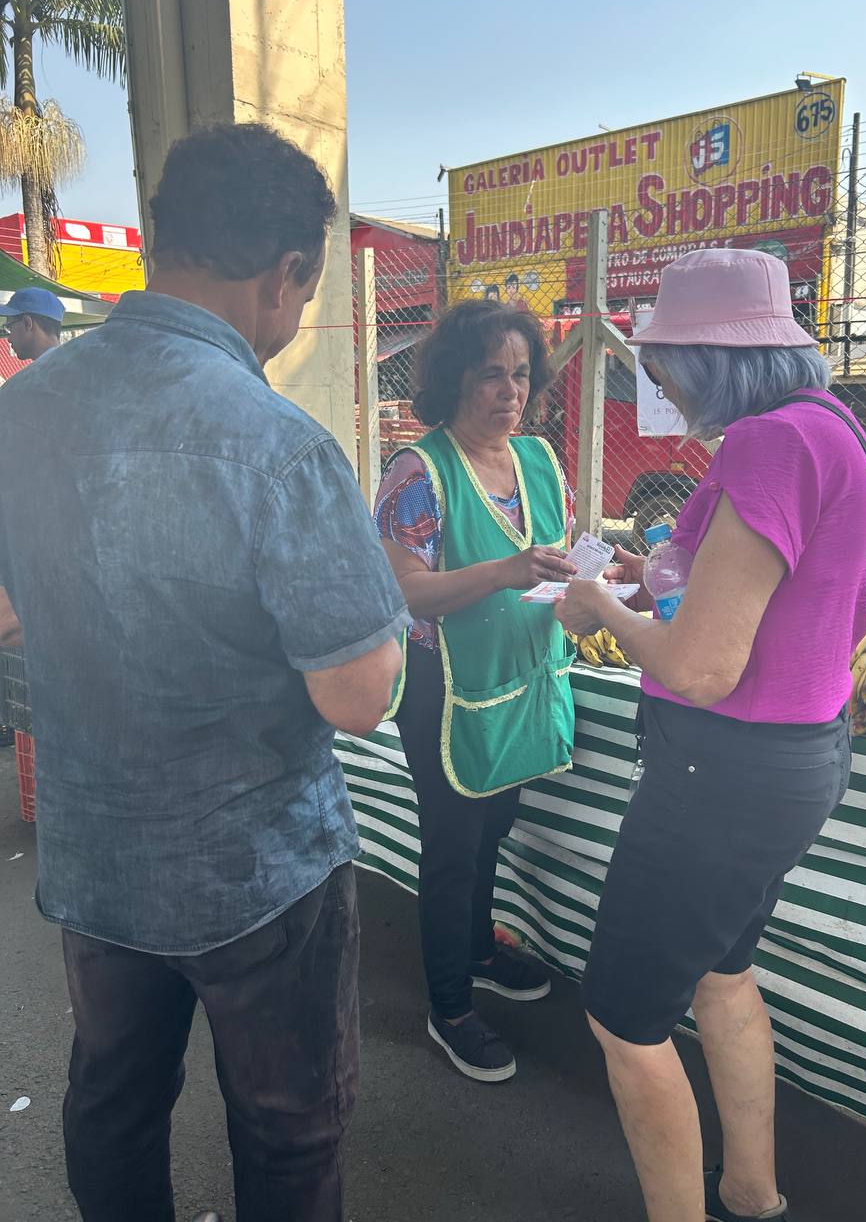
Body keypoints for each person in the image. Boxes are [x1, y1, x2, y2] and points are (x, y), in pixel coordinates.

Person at [0, 123, 408, 1222]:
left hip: (97, 859)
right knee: (287, 1128)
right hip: (256, 874)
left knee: (113, 1103)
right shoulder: (277, 443)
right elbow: (357, 696)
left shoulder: (17, 412)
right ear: (285, 274)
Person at [556, 248, 866, 1222]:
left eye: (663, 365)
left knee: (624, 1017)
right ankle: (751, 1192)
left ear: (706, 359)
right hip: (796, 759)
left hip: (720, 775)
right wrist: (652, 575)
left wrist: (596, 606)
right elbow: (781, 590)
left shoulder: (768, 445)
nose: (658, 385)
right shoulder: (832, 428)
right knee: (722, 974)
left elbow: (701, 668)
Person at [375, 299, 577, 1082]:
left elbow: (553, 558)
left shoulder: (537, 461)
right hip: (445, 688)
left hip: (518, 679)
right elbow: (406, 593)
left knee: (496, 823)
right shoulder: (418, 472)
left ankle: (478, 950)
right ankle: (450, 1006)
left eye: (521, 374)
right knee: (454, 848)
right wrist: (505, 571)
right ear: (455, 378)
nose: (509, 391)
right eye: (491, 373)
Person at [0, 287, 64, 362]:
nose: (9, 339)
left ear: (27, 323)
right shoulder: (71, 363)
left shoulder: (44, 369)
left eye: (9, 327)